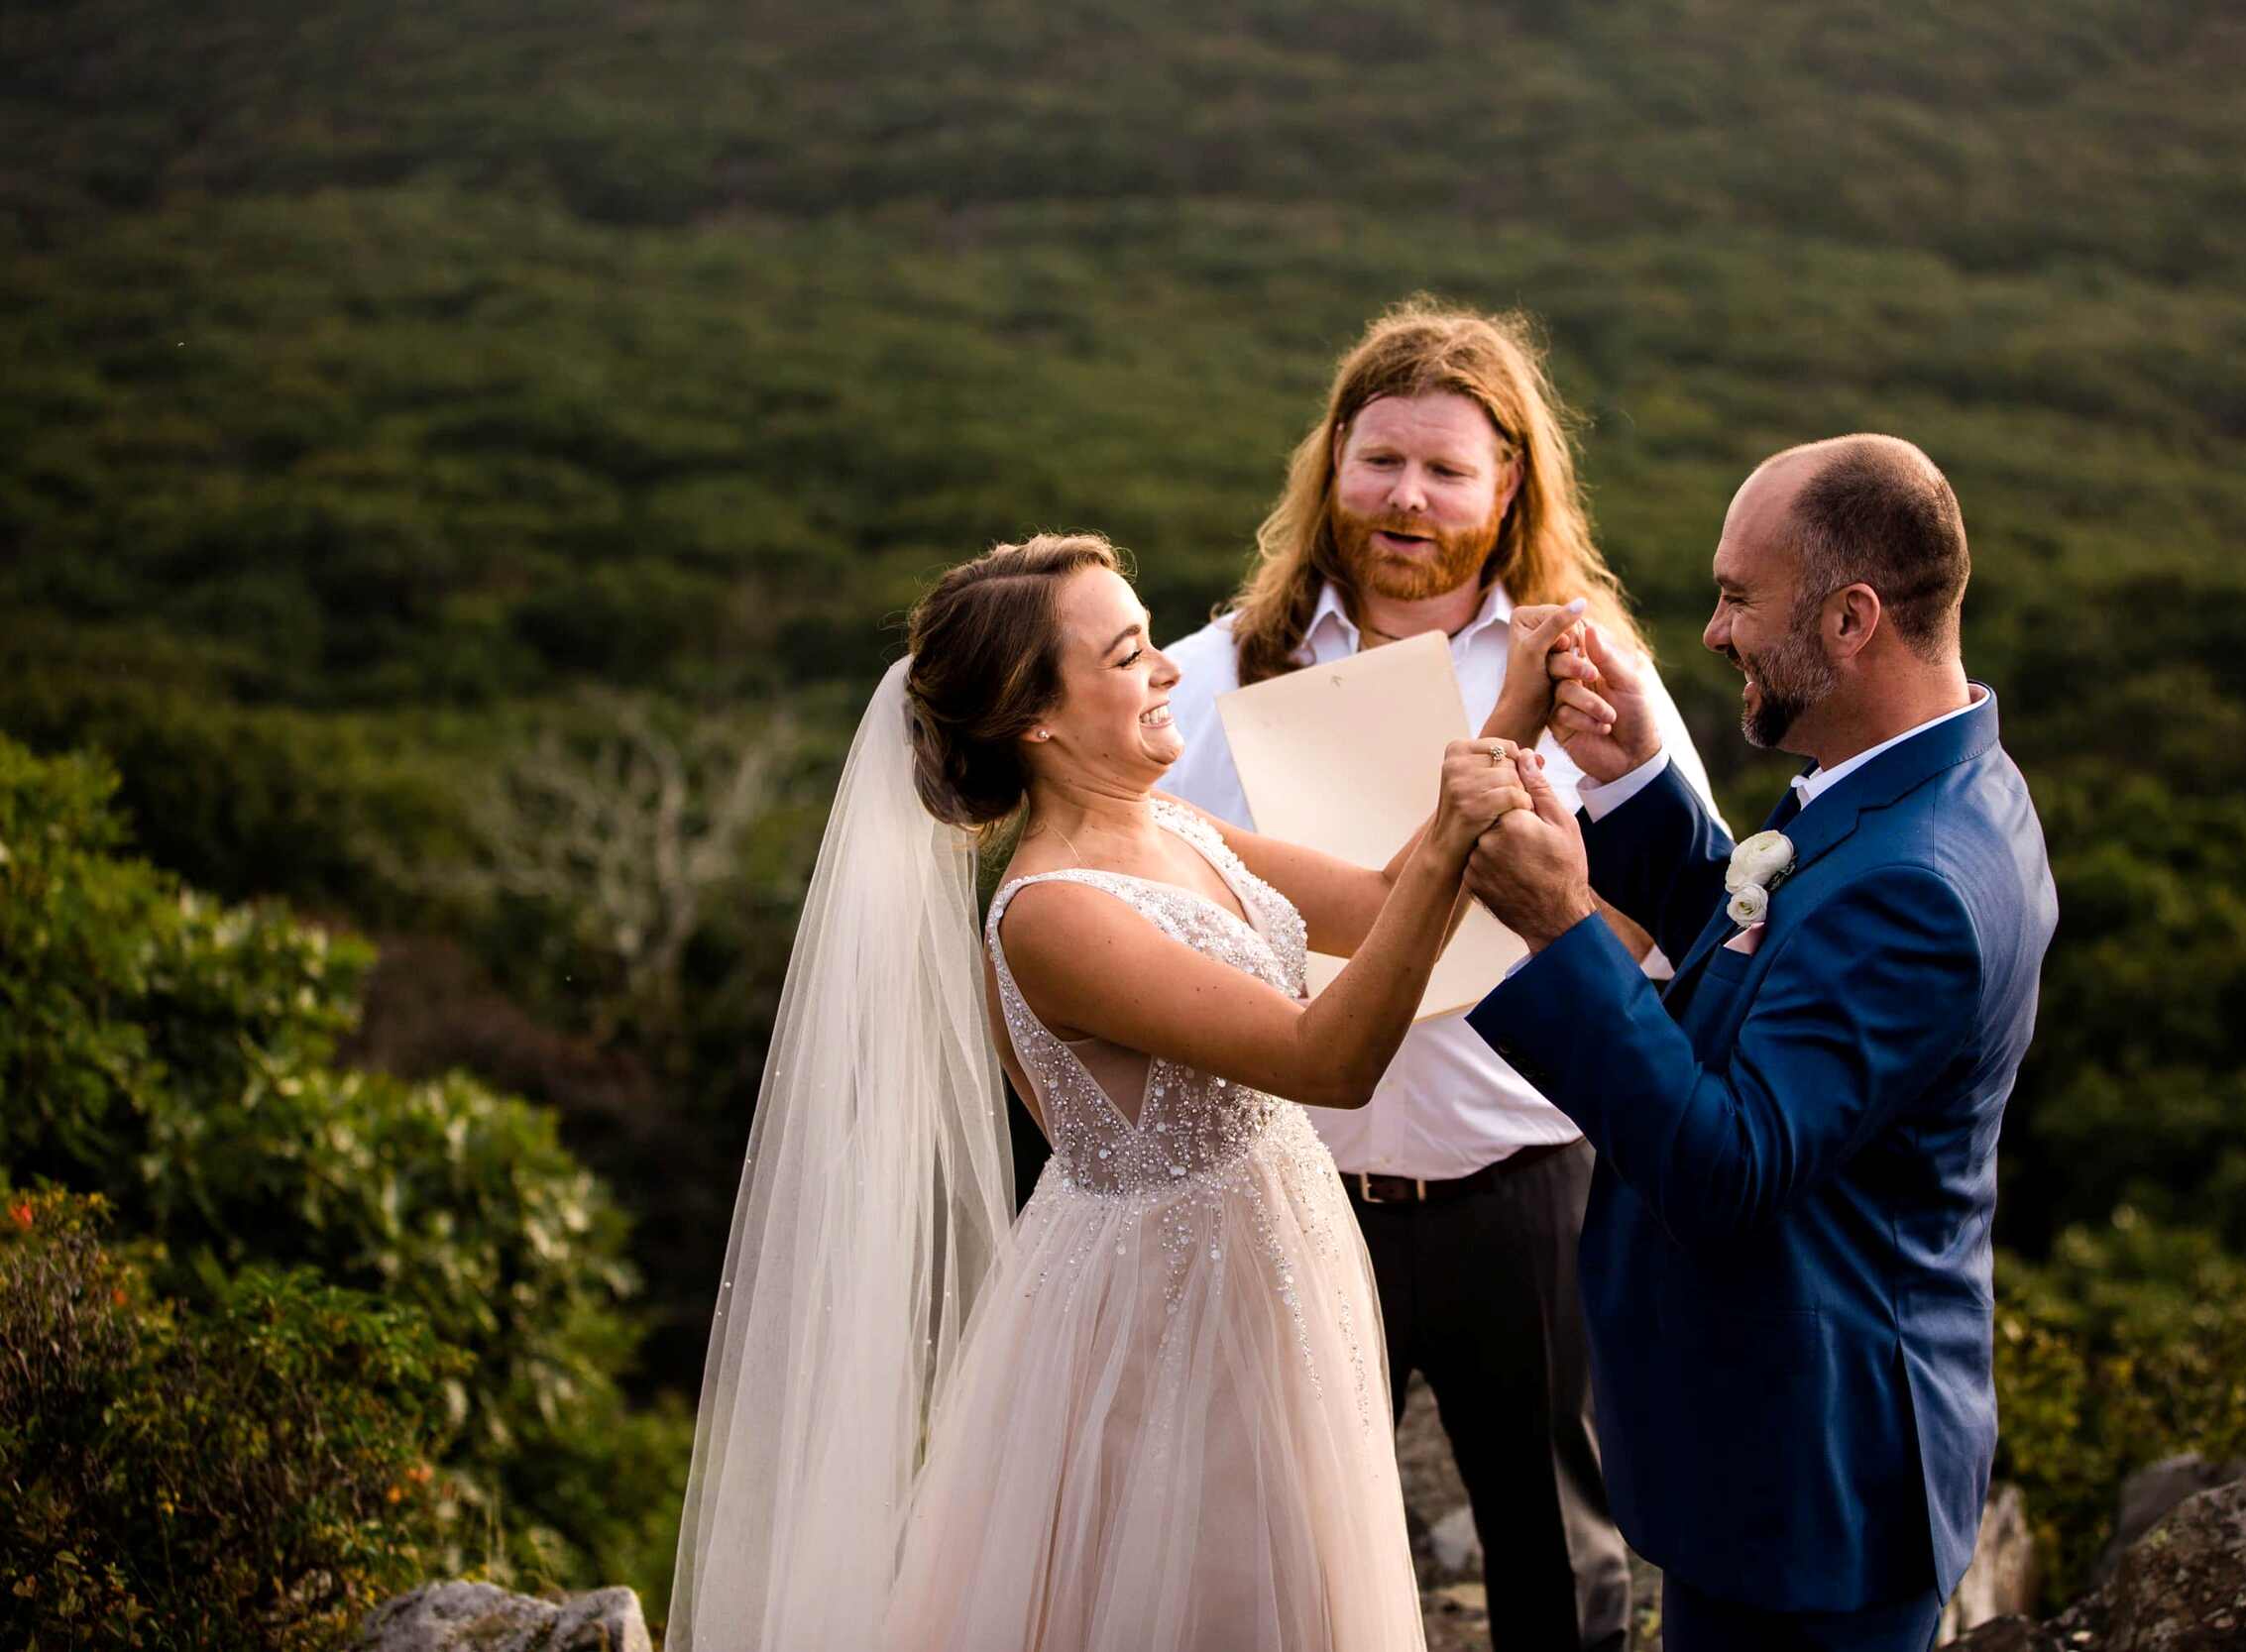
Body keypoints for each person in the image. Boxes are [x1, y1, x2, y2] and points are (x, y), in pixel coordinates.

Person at [668, 531, 1586, 1651]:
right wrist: (1456, 826)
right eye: (1129, 654)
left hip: (1271, 1259)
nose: (1166, 672)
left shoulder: (1175, 824)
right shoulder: (1054, 911)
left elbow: (1385, 900)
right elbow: (1324, 1057)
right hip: (1170, 1313)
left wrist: (1511, 722)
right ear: (1037, 721)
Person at [1160, 300, 1717, 1650]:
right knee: (1271, 1549)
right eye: (1379, 458)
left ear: (1510, 483)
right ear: (1331, 462)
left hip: (1525, 1183)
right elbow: (1149, 901)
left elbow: (1679, 932)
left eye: (1447, 469)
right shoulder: (1209, 672)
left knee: (1563, 1557)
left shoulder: (1598, 679)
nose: (1406, 497)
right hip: (1288, 1178)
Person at [1460, 436, 2059, 1652]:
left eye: (1738, 596)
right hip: (1769, 1447)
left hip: (1815, 1483)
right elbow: (1769, 961)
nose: (1714, 632)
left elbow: (1724, 1163)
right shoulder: (1902, 783)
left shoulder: (1923, 884)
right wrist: (1635, 783)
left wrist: (1560, 921)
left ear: (1851, 618)